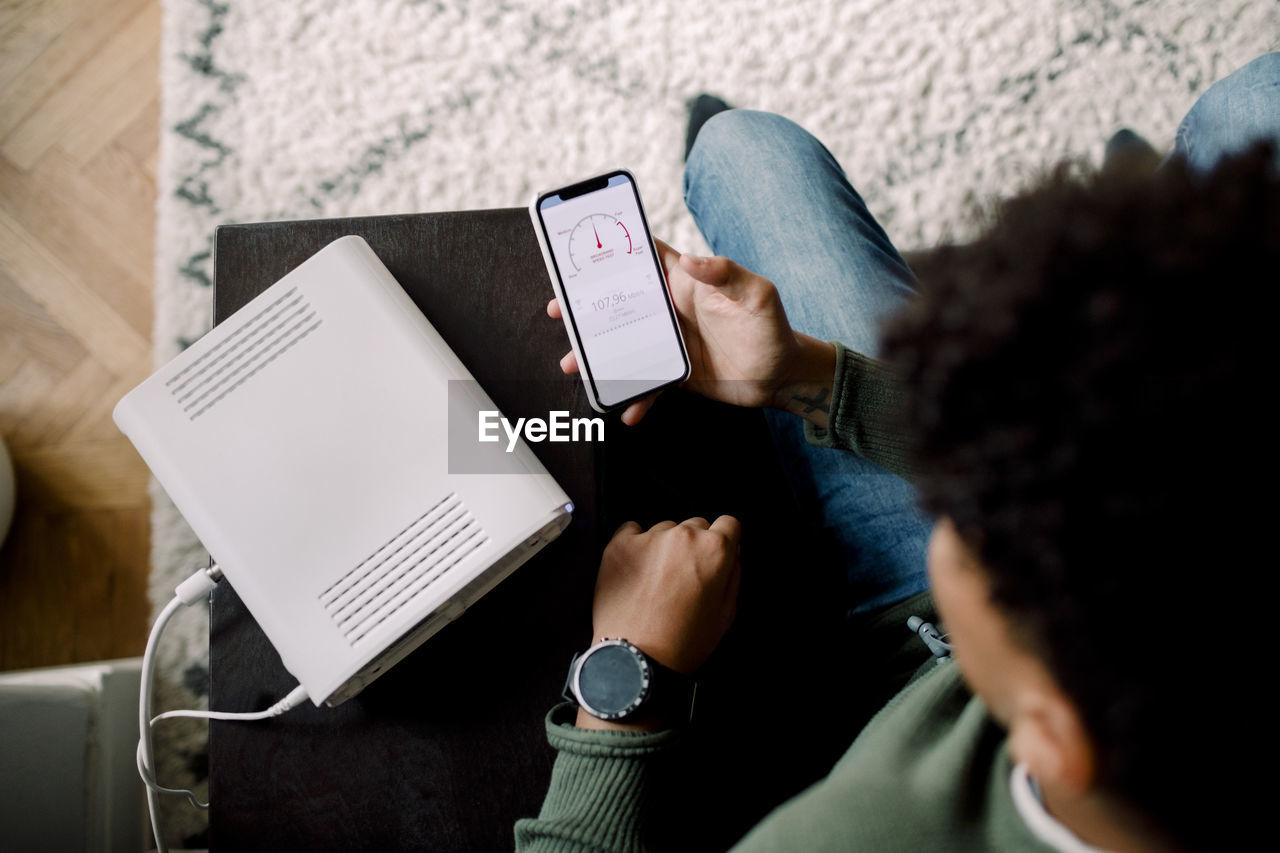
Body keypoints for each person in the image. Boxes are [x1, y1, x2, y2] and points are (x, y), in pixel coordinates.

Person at [515, 52, 1279, 852]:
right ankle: (1157, 228)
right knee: (1262, 100)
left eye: (978, 528)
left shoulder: (846, 835)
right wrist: (806, 375)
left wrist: (623, 687)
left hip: (898, 661)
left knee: (744, 153)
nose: (958, 507)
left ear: (1051, 740)